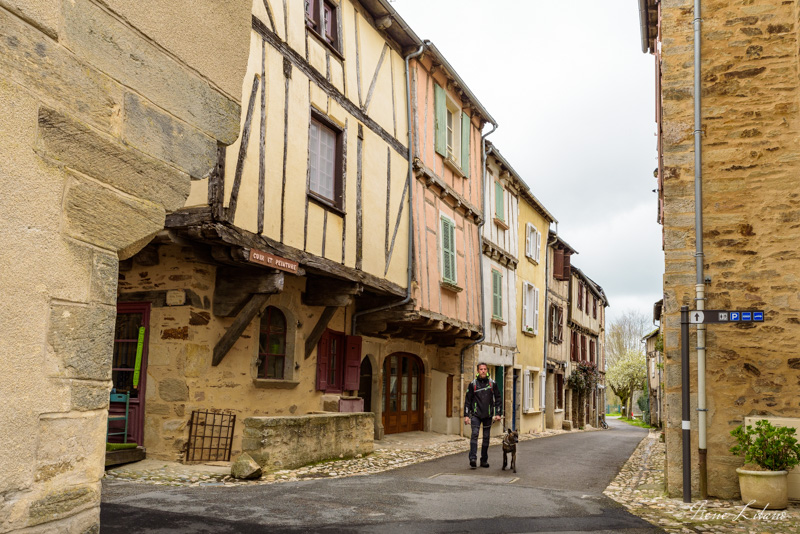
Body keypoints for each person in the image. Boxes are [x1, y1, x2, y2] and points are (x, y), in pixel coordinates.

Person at [463, 362, 502, 468]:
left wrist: (498, 413)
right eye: (481, 369)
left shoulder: (492, 383)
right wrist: (466, 415)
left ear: (487, 371)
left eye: (485, 369)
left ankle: (484, 460)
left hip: (488, 415)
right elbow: (467, 400)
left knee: (486, 437)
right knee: (474, 435)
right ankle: (473, 458)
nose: (483, 371)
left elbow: (498, 398)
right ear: (478, 371)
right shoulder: (473, 384)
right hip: (475, 414)